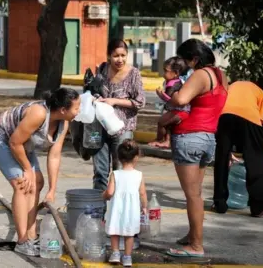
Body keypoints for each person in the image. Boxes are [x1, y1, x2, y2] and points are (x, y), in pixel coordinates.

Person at [0, 88, 80, 256]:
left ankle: (31, 235)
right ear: (64, 110)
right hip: (1, 138)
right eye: (76, 108)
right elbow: (14, 142)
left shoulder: (63, 123)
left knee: (38, 182)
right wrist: (27, 170)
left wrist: (52, 189)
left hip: (23, 143)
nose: (79, 111)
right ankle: (22, 241)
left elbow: (55, 156)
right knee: (22, 184)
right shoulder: (39, 113)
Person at [156, 38, 228, 257]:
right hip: (208, 138)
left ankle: (196, 246)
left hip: (189, 137)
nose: (184, 66)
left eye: (186, 61)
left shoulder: (200, 74)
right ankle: (192, 235)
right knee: (195, 193)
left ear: (195, 58)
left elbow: (181, 99)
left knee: (193, 195)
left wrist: (170, 97)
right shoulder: (220, 75)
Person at [213, 81, 263, 217]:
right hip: (249, 117)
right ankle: (259, 208)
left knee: (222, 159)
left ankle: (219, 204)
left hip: (224, 116)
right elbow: (259, 120)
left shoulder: (233, 85)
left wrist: (229, 149)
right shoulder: (262, 94)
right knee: (255, 161)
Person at [93, 38, 145, 191]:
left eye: (123, 55)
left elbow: (140, 102)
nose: (120, 59)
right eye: (116, 56)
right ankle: (100, 208)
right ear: (109, 55)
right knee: (100, 172)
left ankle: (119, 207)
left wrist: (114, 101)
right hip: (100, 127)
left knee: (121, 170)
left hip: (123, 128)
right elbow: (94, 91)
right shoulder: (102, 69)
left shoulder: (134, 74)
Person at [103, 139, 148, 267]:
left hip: (117, 208)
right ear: (136, 158)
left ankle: (116, 253)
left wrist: (104, 196)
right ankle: (127, 257)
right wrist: (144, 207)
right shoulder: (139, 175)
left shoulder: (115, 174)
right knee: (129, 234)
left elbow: (110, 192)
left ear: (119, 157)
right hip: (132, 209)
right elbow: (143, 193)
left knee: (115, 231)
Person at [149, 56, 190, 148]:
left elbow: (169, 99)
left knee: (161, 123)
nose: (164, 74)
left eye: (166, 71)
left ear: (175, 73)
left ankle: (159, 139)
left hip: (179, 111)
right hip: (182, 111)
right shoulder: (178, 81)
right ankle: (167, 141)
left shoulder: (172, 84)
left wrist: (160, 94)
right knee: (168, 126)